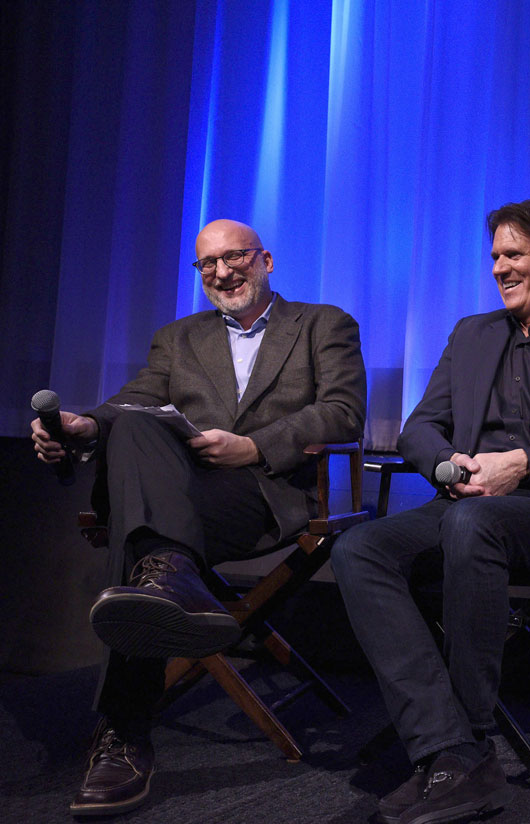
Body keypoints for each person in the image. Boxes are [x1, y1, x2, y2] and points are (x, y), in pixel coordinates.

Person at [30, 219, 367, 817]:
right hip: (181, 493)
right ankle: (169, 578)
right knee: (132, 425)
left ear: (265, 259)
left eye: (233, 257)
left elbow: (343, 413)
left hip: (261, 496)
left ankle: (122, 735)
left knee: (140, 538)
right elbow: (129, 402)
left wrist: (254, 446)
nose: (221, 272)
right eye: (207, 264)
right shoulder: (178, 338)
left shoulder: (323, 324)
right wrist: (83, 427)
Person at [330, 200, 530, 824]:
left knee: (473, 525)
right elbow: (420, 427)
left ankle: (465, 739)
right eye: (494, 256)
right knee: (359, 548)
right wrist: (448, 467)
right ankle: (450, 750)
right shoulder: (473, 332)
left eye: (513, 255)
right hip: (463, 496)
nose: (498, 268)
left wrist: (520, 463)